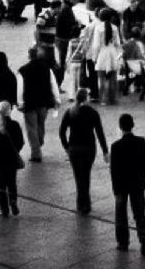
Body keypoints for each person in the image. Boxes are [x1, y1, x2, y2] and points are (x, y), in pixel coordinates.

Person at [57, 86, 108, 215]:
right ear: (87, 98)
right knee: (86, 176)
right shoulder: (92, 112)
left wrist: (66, 147)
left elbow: (62, 131)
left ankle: (82, 204)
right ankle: (85, 204)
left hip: (74, 148)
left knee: (78, 177)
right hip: (89, 148)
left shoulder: (70, 112)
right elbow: (100, 133)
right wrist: (105, 151)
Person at [108, 111, 145, 253]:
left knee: (121, 214)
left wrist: (115, 189)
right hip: (137, 183)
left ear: (120, 127)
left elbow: (113, 170)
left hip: (121, 185)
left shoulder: (116, 146)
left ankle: (123, 242)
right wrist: (142, 177)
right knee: (139, 213)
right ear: (132, 125)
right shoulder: (141, 142)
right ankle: (144, 238)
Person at [17, 44, 59, 162]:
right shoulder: (47, 69)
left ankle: (36, 153)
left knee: (31, 128)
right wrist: (57, 99)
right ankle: (39, 142)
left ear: (29, 56)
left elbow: (20, 87)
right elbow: (53, 84)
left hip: (30, 103)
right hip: (44, 102)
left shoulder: (23, 70)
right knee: (41, 124)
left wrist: (20, 102)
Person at [0, 99, 25, 218]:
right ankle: (13, 202)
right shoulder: (15, 125)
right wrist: (16, 151)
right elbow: (21, 142)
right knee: (12, 183)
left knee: (1, 185)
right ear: (9, 111)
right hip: (11, 160)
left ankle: (4, 209)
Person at [89, 8, 123, 105]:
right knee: (113, 78)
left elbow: (96, 45)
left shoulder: (98, 28)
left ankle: (103, 100)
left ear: (100, 17)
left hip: (102, 54)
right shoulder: (115, 28)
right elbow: (118, 43)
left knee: (101, 79)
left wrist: (94, 58)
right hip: (112, 53)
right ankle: (112, 99)